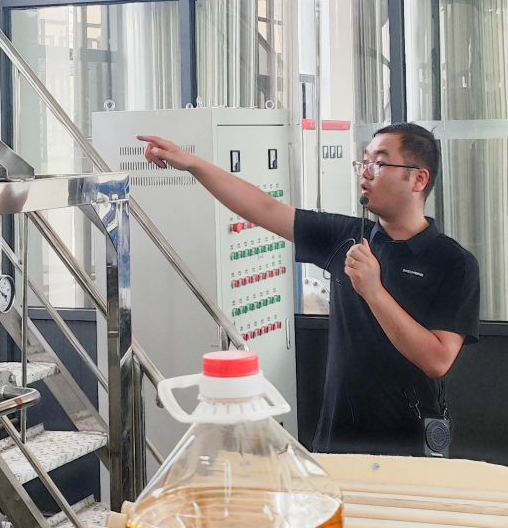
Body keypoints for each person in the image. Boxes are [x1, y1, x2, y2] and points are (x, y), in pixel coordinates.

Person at [136, 122, 479, 455]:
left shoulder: (453, 262)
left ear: (419, 179)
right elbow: (263, 207)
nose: (365, 172)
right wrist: (192, 163)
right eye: (363, 161)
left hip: (408, 444)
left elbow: (437, 360)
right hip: (338, 439)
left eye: (379, 162)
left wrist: (373, 291)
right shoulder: (347, 237)